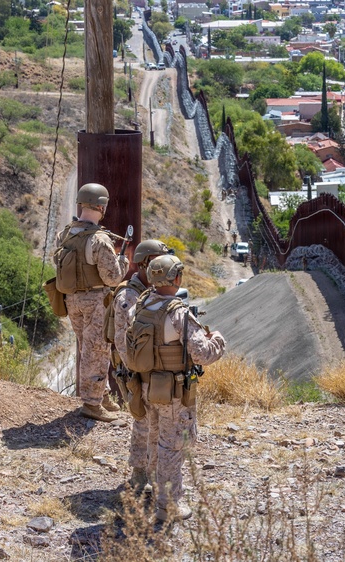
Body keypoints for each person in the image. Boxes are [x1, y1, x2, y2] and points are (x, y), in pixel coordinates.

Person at [129, 255, 226, 522]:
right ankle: (167, 506)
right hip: (172, 392)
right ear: (177, 279)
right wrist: (217, 338)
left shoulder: (140, 304)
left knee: (153, 438)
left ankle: (154, 488)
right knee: (172, 447)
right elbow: (203, 354)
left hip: (145, 386)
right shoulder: (178, 313)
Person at [55, 183, 129, 422]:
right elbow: (113, 277)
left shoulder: (65, 234)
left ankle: (102, 395)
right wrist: (123, 262)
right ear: (101, 206)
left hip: (71, 299)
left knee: (87, 349)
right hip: (96, 301)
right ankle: (92, 404)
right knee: (97, 351)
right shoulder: (99, 240)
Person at [105, 239, 172, 494]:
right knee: (143, 421)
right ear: (144, 265)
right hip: (137, 372)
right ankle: (139, 473)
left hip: (151, 370)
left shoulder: (150, 293)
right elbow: (124, 342)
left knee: (157, 424)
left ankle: (155, 474)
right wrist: (141, 369)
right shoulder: (128, 296)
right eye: (157, 263)